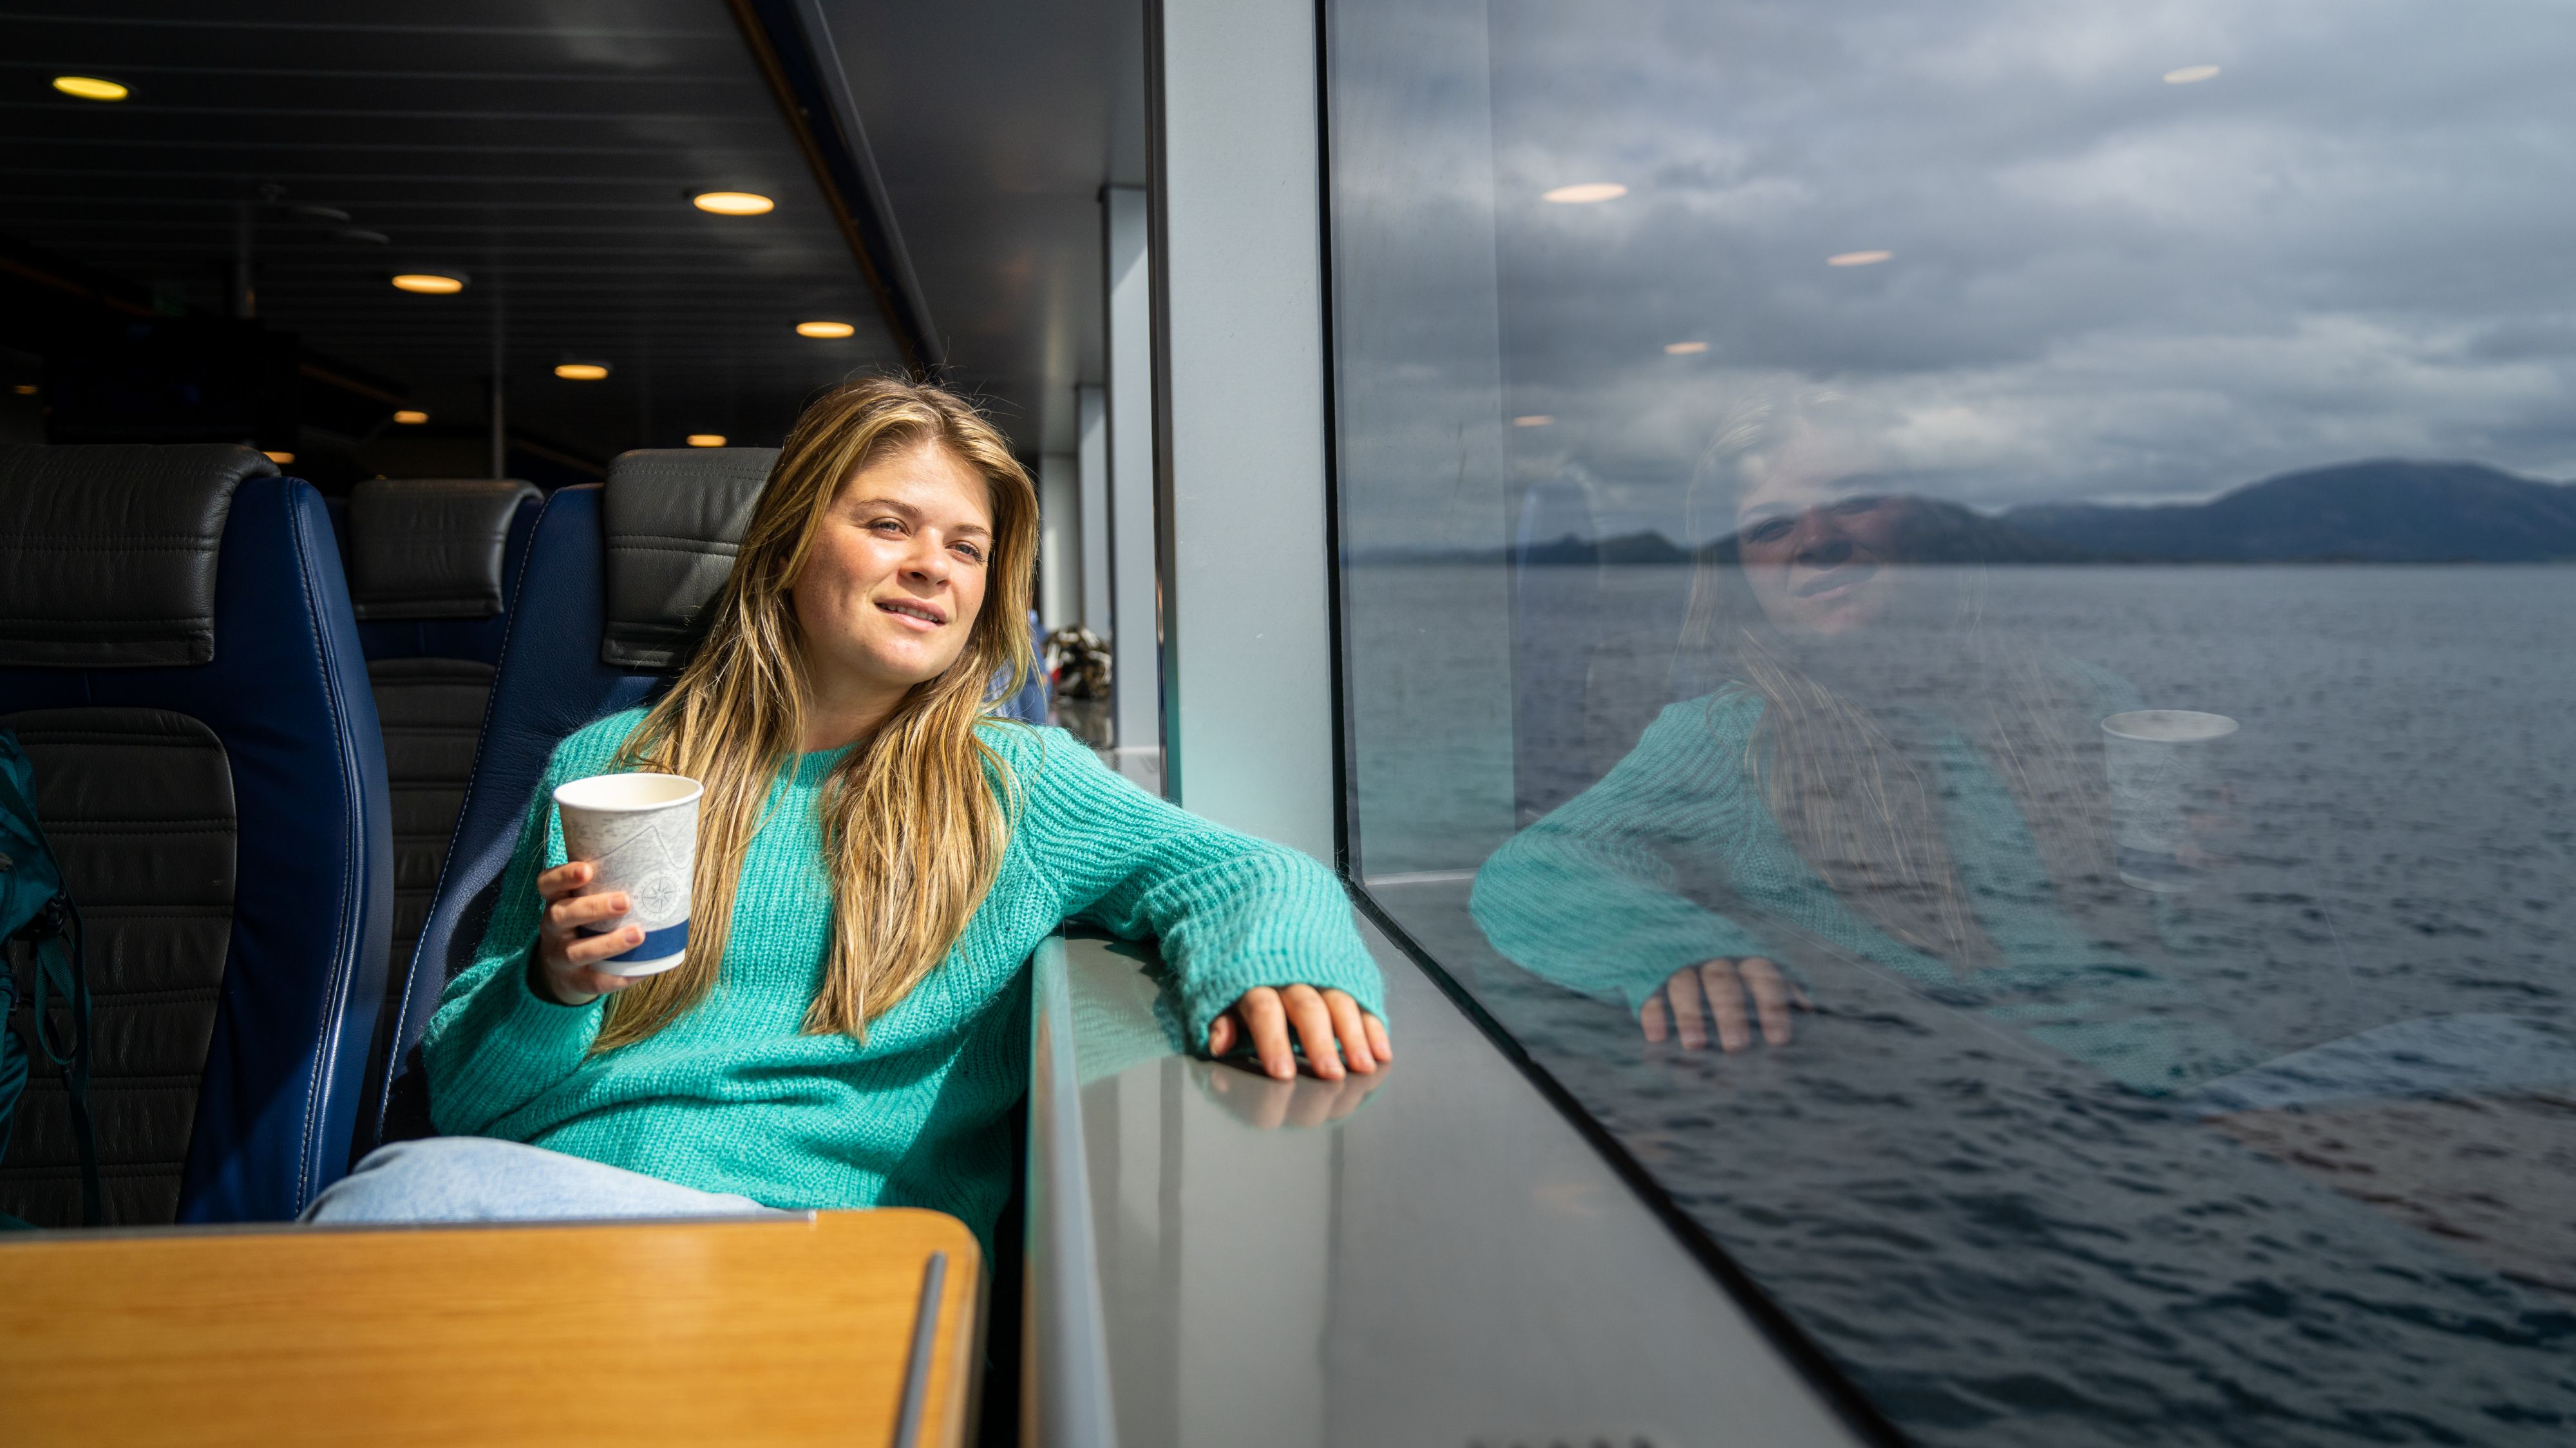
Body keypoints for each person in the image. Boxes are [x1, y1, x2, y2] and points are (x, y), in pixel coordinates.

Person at [308, 378, 1390, 1240]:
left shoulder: (1017, 783)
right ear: (787, 546)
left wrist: (1279, 961)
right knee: (381, 1208)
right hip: (533, 1198)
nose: (933, 566)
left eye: (966, 548)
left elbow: (1249, 870)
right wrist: (555, 982)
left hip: (813, 1241)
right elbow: (464, 1093)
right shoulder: (607, 762)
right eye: (889, 525)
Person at [1470, 391, 2247, 1095]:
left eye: (1853, 502)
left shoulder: (2081, 699)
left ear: (1925, 523)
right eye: (1771, 525)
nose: (1816, 539)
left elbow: (2171, 934)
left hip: (2209, 1060)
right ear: (1743, 570)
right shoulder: (1727, 735)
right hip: (2025, 1101)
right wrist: (1675, 947)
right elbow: (1536, 867)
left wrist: (2209, 882)